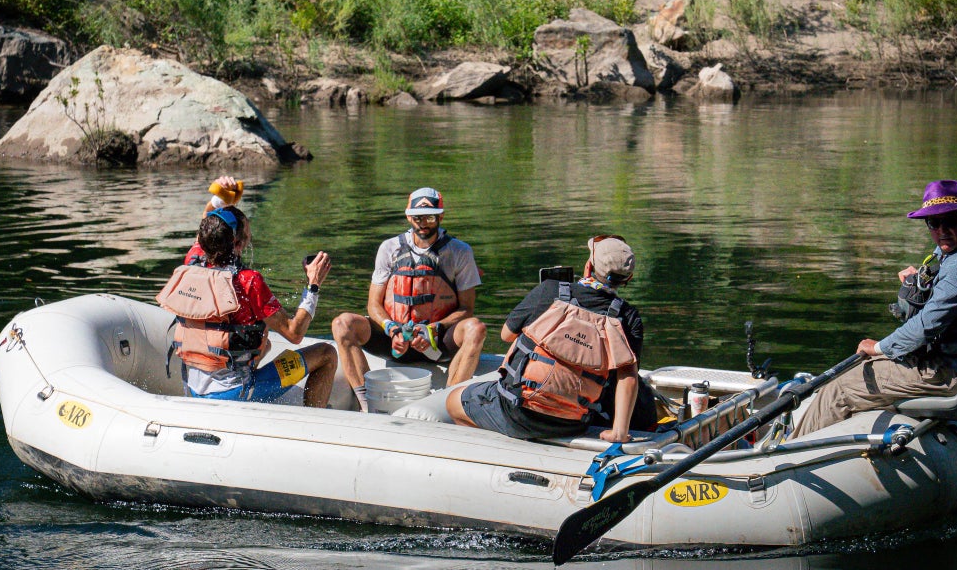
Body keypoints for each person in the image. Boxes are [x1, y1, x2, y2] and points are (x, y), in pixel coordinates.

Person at [794, 179, 957, 436]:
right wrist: (925, 281)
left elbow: (926, 326)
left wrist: (878, 348)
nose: (942, 229)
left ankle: (785, 458)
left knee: (839, 388)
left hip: (948, 372)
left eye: (951, 220)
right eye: (934, 223)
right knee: (858, 372)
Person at [447, 236, 648, 442]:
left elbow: (506, 335)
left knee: (453, 402)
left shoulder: (550, 290)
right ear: (627, 280)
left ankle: (502, 446)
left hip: (517, 412)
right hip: (573, 424)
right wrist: (619, 433)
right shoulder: (628, 317)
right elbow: (628, 376)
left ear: (588, 266)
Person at [157, 196, 338, 408]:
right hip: (234, 394)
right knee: (326, 353)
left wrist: (218, 200)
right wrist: (313, 285)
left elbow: (204, 228)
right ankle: (314, 424)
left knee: (265, 342)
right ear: (237, 244)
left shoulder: (193, 261)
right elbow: (294, 333)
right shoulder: (247, 281)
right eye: (247, 233)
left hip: (194, 389)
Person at [331, 187, 487, 412]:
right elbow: (373, 304)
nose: (423, 223)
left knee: (476, 329)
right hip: (394, 338)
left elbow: (466, 308)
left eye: (430, 217)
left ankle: (447, 406)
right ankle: (366, 403)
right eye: (417, 217)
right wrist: (392, 329)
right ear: (408, 216)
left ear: (441, 216)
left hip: (438, 339)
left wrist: (433, 329)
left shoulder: (460, 251)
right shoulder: (389, 248)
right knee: (341, 324)